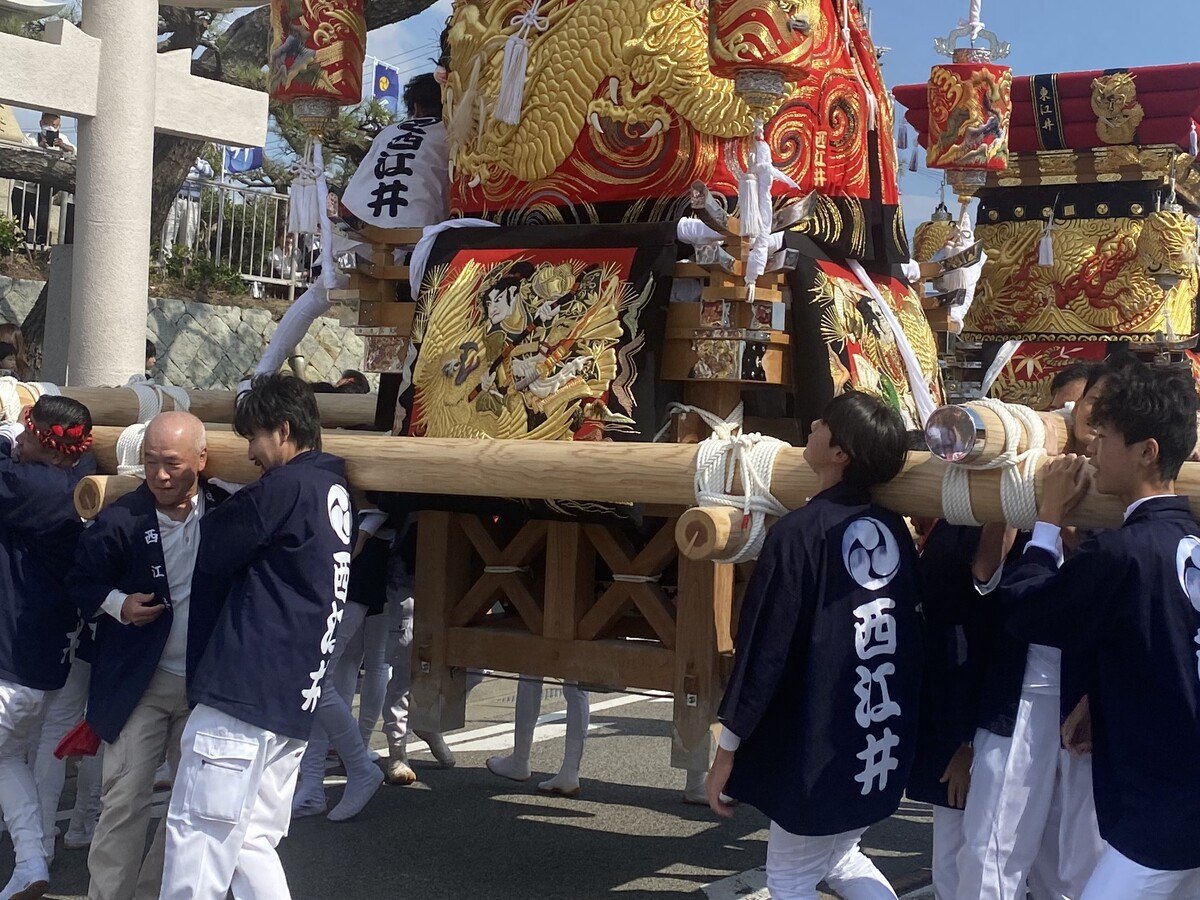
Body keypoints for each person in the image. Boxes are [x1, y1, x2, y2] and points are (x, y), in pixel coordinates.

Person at [705, 391, 920, 900]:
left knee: (791, 878)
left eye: (825, 423)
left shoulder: (799, 533)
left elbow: (763, 650)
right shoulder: (893, 528)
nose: (815, 424)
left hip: (818, 744)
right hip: (876, 735)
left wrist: (727, 750)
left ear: (841, 452)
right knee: (844, 857)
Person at [998, 361, 1200, 899]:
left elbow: (1027, 610)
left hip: (1159, 809)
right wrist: (1098, 698)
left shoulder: (1123, 552)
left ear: (1147, 451)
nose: (1092, 450)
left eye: (1105, 438)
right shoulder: (1187, 540)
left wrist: (1046, 518)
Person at [158, 375, 357, 900]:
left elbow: (216, 548)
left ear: (284, 430)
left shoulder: (285, 487)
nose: (249, 453)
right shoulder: (334, 488)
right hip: (292, 700)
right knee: (249, 844)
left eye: (254, 439)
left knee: (198, 843)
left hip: (242, 697)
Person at [70, 412, 228, 900]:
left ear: (201, 460)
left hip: (203, 682)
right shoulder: (122, 518)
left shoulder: (223, 511)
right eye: (151, 463)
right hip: (141, 680)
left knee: (190, 806)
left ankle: (150, 892)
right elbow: (80, 582)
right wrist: (119, 605)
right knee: (124, 800)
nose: (160, 475)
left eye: (173, 464)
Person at [0, 396, 95, 900]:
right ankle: (32, 860)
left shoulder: (41, 486)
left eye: (28, 429)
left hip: (13, 654)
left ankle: (37, 854)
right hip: (38, 655)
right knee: (8, 758)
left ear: (44, 439)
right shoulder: (76, 485)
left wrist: (1, 433)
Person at [906, 521, 994, 900]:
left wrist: (968, 743)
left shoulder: (986, 522)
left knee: (964, 855)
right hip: (940, 699)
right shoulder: (951, 518)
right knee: (950, 854)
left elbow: (986, 638)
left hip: (966, 712)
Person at [162, 158, 213, 257]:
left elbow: (210, 173)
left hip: (192, 202)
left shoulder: (202, 162)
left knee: (188, 234)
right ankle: (164, 263)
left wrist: (196, 163)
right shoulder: (179, 158)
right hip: (175, 199)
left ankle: (184, 265)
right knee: (168, 231)